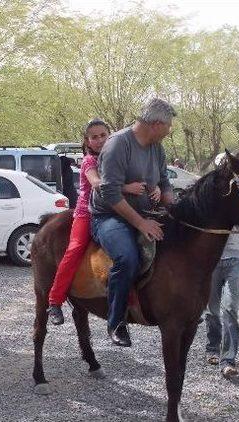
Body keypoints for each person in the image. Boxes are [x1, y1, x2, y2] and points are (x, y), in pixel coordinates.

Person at [90, 98, 176, 347]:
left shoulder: (156, 146)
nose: (169, 132)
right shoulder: (118, 144)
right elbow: (110, 193)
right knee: (127, 257)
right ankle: (116, 321)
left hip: (146, 212)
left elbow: (165, 182)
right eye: (168, 127)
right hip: (108, 216)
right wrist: (141, 223)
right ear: (157, 124)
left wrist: (173, 206)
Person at [46, 119, 145, 325]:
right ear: (87, 141)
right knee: (73, 251)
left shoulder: (117, 157)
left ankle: (133, 298)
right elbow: (97, 183)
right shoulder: (89, 162)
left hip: (116, 212)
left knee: (136, 249)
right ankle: (55, 301)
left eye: (103, 135)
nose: (99, 140)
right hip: (87, 213)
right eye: (94, 137)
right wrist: (127, 188)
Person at [205, 230, 239, 378]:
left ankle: (228, 360)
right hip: (212, 258)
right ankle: (213, 348)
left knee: (230, 309)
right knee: (212, 309)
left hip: (236, 260)